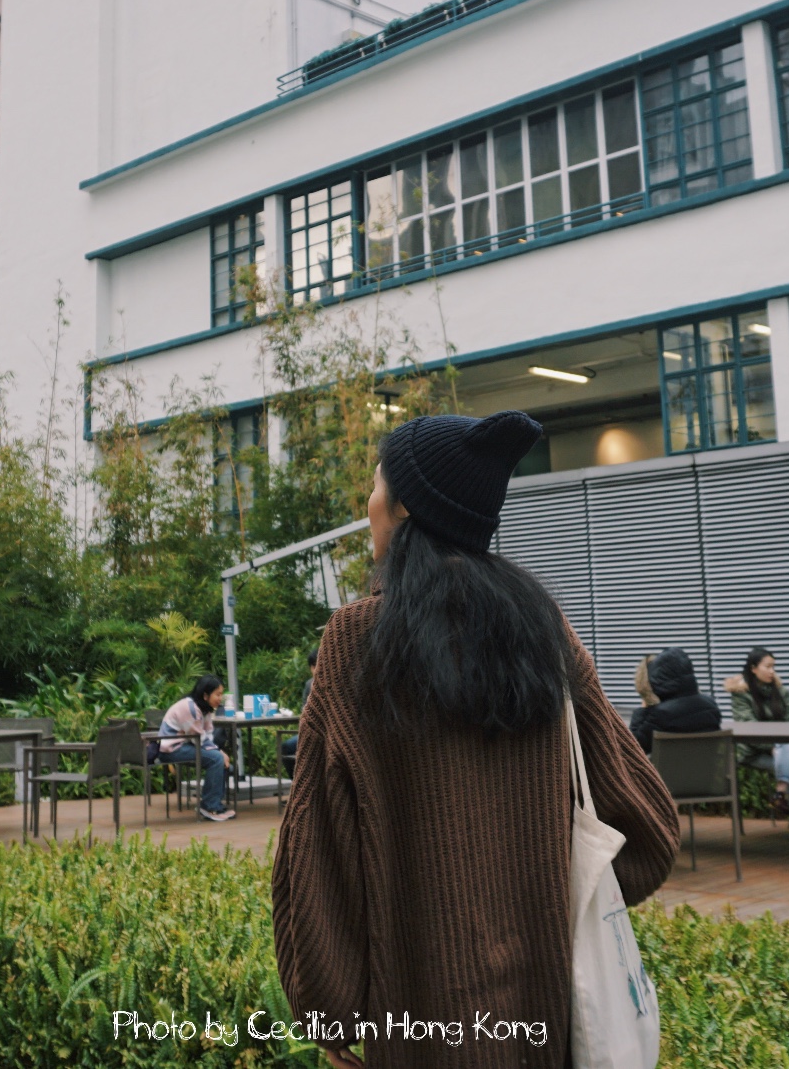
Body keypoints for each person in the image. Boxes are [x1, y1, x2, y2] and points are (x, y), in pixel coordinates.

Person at [273, 411, 680, 1069]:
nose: (368, 501)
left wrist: (328, 1010)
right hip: (546, 1022)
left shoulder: (354, 641)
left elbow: (319, 846)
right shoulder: (544, 632)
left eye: (376, 484)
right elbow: (649, 833)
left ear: (407, 505)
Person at [722, 646, 789, 841]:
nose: (772, 671)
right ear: (753, 668)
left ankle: (780, 794)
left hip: (783, 750)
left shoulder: (781, 691)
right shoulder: (741, 694)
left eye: (774, 666)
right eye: (767, 667)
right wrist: (774, 746)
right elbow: (749, 729)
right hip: (753, 752)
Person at [158, 674, 235, 822]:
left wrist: (218, 751)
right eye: (217, 694)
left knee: (221, 761)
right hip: (170, 749)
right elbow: (198, 738)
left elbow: (208, 734)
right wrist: (219, 752)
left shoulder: (204, 708)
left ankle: (215, 804)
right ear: (205, 695)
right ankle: (209, 806)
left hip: (186, 745)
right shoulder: (189, 708)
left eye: (221, 694)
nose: (220, 698)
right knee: (216, 759)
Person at [626, 646, 720, 751]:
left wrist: (643, 708)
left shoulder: (660, 715)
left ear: (659, 678)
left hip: (671, 763)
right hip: (706, 762)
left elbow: (634, 748)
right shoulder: (711, 706)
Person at [279, 647, 317, 773]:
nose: (317, 670)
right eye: (314, 666)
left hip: (328, 733)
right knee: (286, 747)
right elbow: (304, 710)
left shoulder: (335, 684)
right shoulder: (309, 685)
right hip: (309, 731)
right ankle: (297, 780)